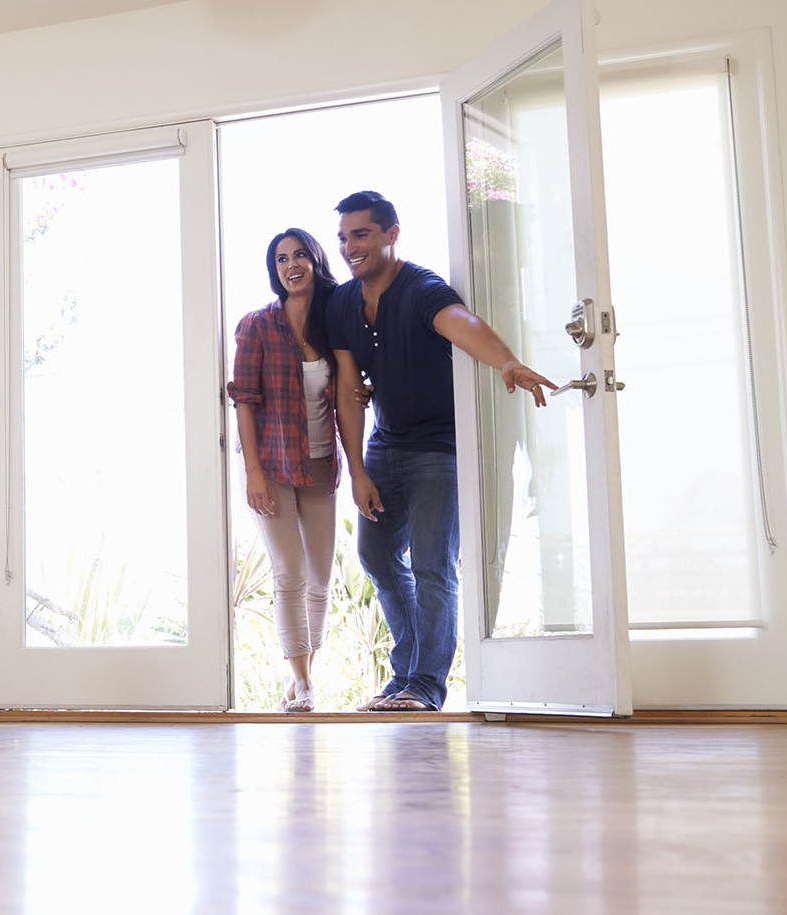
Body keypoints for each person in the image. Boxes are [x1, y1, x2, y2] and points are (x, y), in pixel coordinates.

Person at [324, 191, 554, 712]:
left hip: (439, 450)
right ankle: (405, 674)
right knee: (377, 557)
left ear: (391, 234)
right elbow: (345, 388)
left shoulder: (420, 287)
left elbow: (460, 323)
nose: (350, 246)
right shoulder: (341, 303)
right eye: (343, 237)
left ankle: (425, 687)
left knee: (432, 566)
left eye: (361, 234)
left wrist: (507, 362)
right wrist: (357, 470)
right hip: (386, 444)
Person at [227, 228, 345, 712]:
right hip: (271, 464)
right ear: (274, 271)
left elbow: (356, 384)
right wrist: (253, 471)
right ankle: (302, 680)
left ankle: (302, 679)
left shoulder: (335, 323)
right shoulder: (256, 325)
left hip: (319, 463)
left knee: (319, 576)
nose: (291, 265)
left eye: (299, 256)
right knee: (290, 572)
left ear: (316, 261)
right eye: (281, 259)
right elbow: (244, 402)